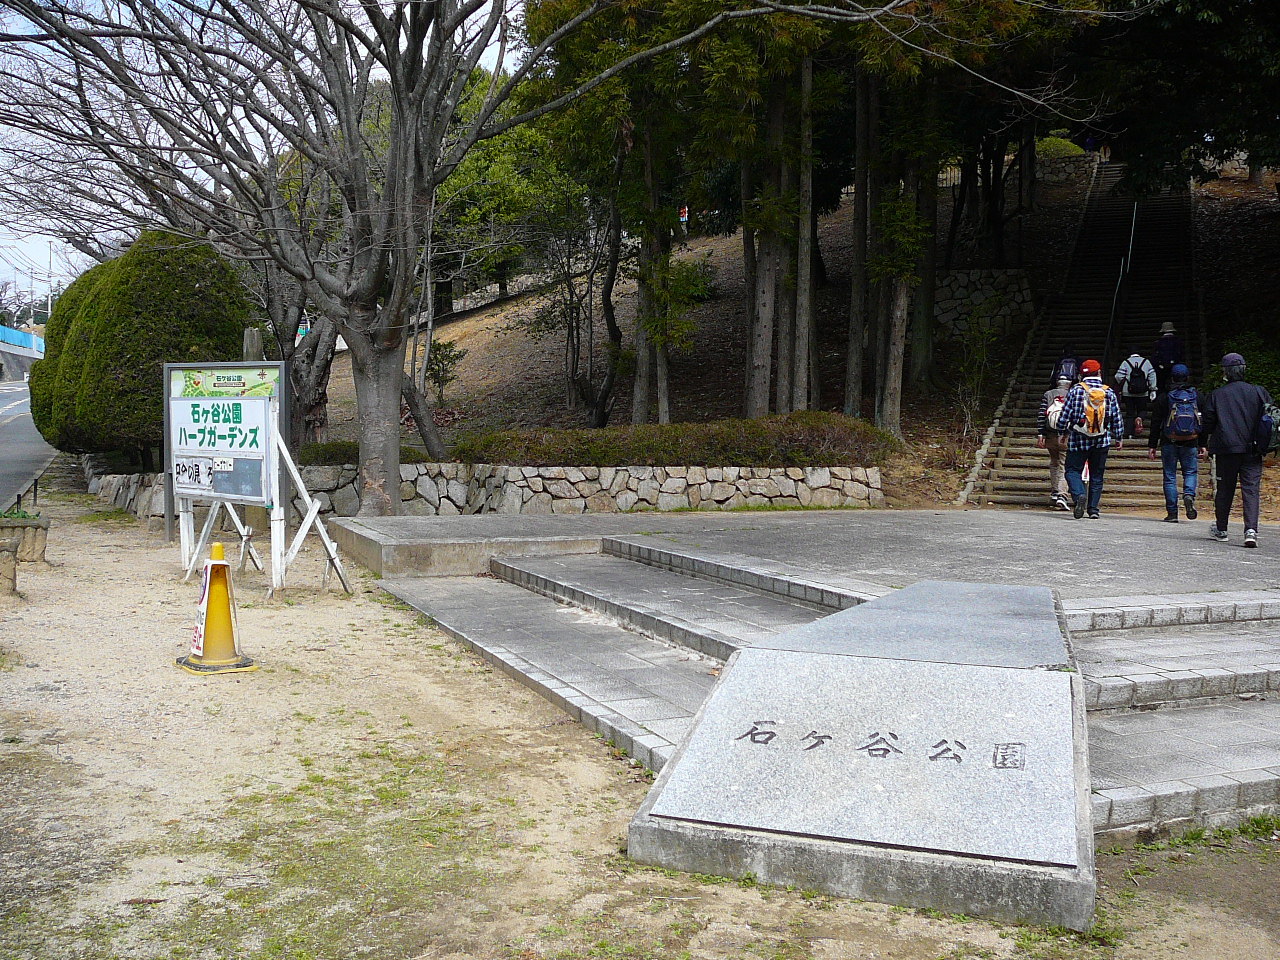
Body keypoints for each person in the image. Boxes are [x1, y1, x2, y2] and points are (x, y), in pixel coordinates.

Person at [1201, 352, 1273, 547]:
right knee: (1251, 490)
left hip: (1226, 449)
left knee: (1225, 489)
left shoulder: (1217, 394)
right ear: (1244, 370)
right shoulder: (1259, 392)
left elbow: (1208, 422)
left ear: (1225, 372)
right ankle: (1251, 530)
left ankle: (1222, 528)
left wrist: (1203, 442)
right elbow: (1270, 419)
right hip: (1253, 449)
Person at [1057, 358, 1124, 519]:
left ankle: (1080, 494)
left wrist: (1062, 431)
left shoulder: (1076, 390)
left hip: (1078, 440)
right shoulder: (1108, 391)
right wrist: (1119, 436)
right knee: (1097, 475)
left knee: (1072, 471)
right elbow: (1116, 416)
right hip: (1102, 440)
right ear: (1099, 372)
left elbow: (1065, 414)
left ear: (1081, 374)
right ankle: (1093, 510)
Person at [1147, 363, 1206, 522]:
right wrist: (1203, 443)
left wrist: (1152, 445)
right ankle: (1188, 495)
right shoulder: (1197, 396)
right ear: (1187, 377)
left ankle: (1172, 513)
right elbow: (1203, 420)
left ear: (1172, 377)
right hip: (1191, 441)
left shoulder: (1165, 397)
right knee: (1190, 472)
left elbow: (1156, 421)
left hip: (1169, 441)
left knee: (1170, 476)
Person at [1037, 375, 1073, 510]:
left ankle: (1054, 491)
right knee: (1064, 464)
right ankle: (1062, 494)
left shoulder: (1048, 394)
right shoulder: (1072, 394)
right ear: (1069, 384)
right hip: (1066, 435)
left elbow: (1042, 414)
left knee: (1054, 462)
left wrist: (1041, 434)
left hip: (1050, 434)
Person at [1115, 351, 1156, 439]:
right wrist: (1153, 388)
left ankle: (1129, 433)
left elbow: (1118, 376)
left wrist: (1123, 383)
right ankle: (1140, 418)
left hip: (1128, 392)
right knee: (1143, 409)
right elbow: (1152, 375)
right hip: (1143, 392)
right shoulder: (1146, 362)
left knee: (1130, 413)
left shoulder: (1126, 362)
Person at [1151, 322, 1185, 391]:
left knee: (1162, 384)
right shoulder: (1178, 341)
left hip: (1161, 367)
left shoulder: (1158, 342)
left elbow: (1155, 357)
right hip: (1176, 365)